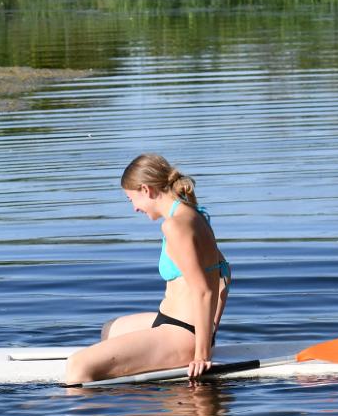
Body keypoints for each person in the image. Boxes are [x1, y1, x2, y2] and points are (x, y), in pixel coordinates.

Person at [64, 153, 231, 386]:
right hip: (178, 324)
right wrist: (211, 331)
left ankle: (90, 404)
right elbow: (225, 273)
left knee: (77, 366)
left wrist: (201, 355)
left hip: (182, 334)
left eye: (131, 199)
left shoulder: (174, 226)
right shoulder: (196, 215)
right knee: (109, 330)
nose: (134, 208)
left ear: (146, 190)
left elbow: (203, 291)